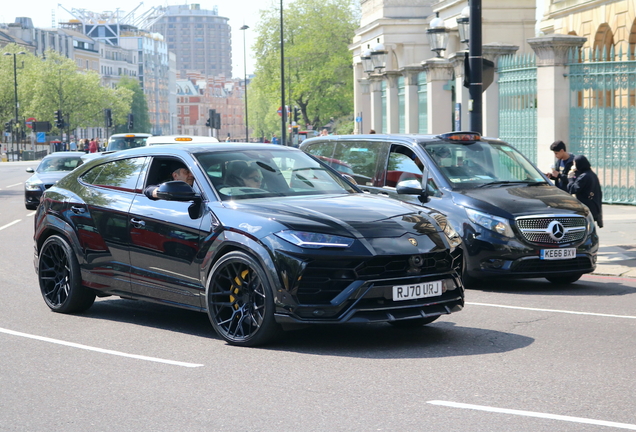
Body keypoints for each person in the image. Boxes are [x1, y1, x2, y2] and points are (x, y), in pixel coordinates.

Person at [567, 154, 603, 228]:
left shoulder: (584, 177)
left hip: (586, 208)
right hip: (593, 207)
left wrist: (570, 178)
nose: (574, 165)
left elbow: (573, 189)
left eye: (574, 163)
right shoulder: (591, 174)